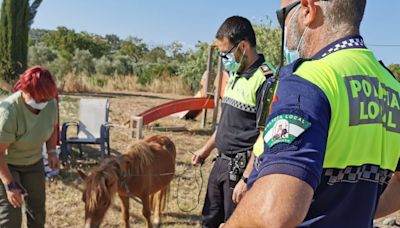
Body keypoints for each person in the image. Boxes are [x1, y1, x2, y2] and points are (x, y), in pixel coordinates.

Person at [222, 0, 400, 227]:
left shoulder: (309, 80)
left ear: (308, 9)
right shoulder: (392, 88)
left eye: (282, 16)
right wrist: (355, 210)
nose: (284, 28)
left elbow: (274, 212)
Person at [191, 16, 273, 227]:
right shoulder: (235, 74)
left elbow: (265, 136)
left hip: (240, 169)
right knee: (209, 219)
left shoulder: (266, 80)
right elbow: (225, 123)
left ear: (243, 46)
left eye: (225, 53)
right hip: (220, 163)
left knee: (233, 223)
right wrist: (206, 149)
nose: (223, 59)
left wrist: (246, 178)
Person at [0, 66, 60, 227]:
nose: (42, 103)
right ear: (25, 90)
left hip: (34, 162)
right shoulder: (9, 112)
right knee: (11, 216)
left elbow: (52, 127)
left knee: (37, 209)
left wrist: (52, 151)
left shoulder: (51, 103)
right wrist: (9, 185)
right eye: (38, 99)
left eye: (45, 99)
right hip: (7, 164)